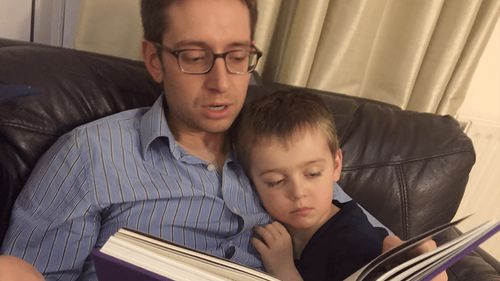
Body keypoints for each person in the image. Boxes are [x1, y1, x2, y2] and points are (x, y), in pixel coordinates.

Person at [0, 0, 396, 280]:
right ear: (155, 60)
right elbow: (30, 274)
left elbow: (377, 246)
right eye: (194, 56)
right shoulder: (88, 155)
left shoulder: (284, 150)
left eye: (237, 57)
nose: (221, 84)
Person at [233, 90, 447, 281]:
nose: (298, 193)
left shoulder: (357, 244)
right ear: (251, 182)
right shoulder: (272, 222)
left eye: (313, 173)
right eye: (276, 181)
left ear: (336, 166)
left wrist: (283, 270)